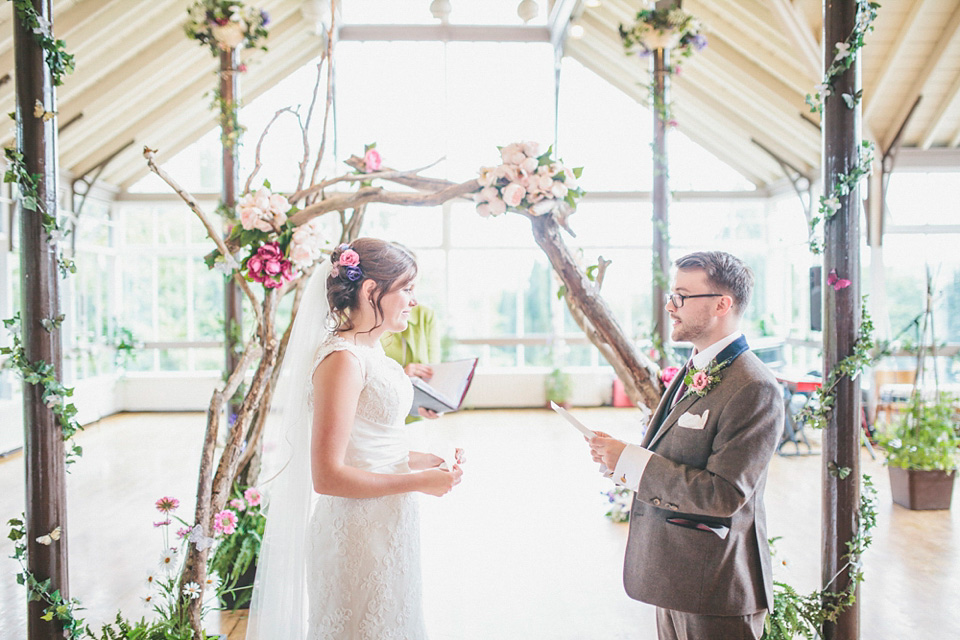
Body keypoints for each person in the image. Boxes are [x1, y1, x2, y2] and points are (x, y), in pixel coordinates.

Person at [247, 238, 464, 640]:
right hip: (357, 535)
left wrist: (426, 461)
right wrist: (418, 482)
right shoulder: (342, 360)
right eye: (406, 288)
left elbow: (369, 446)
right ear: (370, 291)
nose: (413, 301)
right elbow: (328, 476)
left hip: (390, 525)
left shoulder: (372, 352)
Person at [588, 251, 783, 640]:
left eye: (681, 296)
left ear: (722, 305)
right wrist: (622, 460)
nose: (669, 305)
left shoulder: (755, 387)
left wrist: (632, 461)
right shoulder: (695, 368)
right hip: (675, 574)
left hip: (716, 584)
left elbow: (725, 493)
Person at [381, 303, 442, 422]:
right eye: (407, 289)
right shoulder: (364, 318)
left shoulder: (425, 315)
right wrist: (401, 375)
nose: (414, 300)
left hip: (416, 416)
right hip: (381, 417)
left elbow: (433, 370)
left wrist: (436, 404)